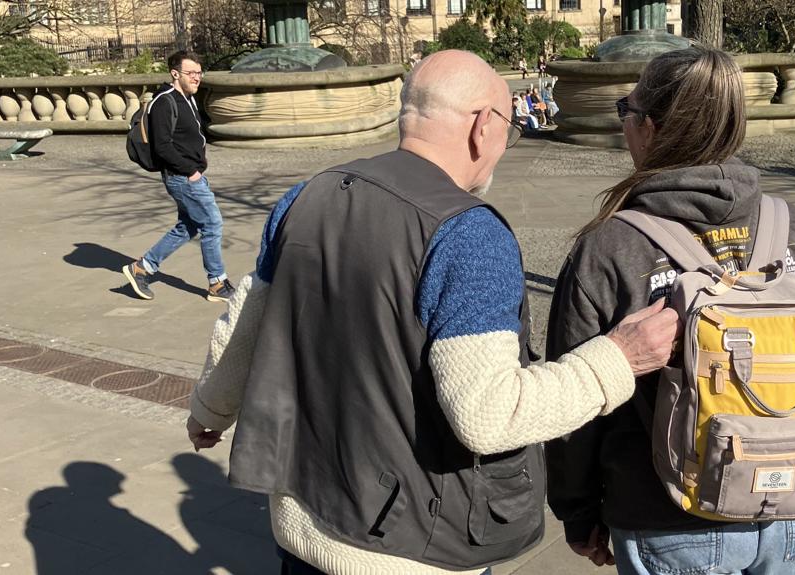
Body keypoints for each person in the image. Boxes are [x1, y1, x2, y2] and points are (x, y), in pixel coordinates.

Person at [186, 49, 681, 575]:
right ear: (482, 126)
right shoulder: (469, 234)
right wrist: (617, 360)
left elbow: (245, 326)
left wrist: (209, 412)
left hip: (301, 527)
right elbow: (489, 416)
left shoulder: (308, 195)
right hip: (408, 547)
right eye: (509, 130)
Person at [545, 46, 795, 575]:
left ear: (651, 127)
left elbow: (575, 399)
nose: (624, 126)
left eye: (626, 112)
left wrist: (577, 512)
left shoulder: (613, 245)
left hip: (665, 510)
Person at [121, 50, 235, 302]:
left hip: (188, 175)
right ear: (175, 73)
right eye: (191, 73)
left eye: (199, 72)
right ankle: (217, 283)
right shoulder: (165, 101)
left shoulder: (187, 98)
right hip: (182, 177)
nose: (197, 78)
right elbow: (162, 146)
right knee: (212, 223)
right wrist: (191, 171)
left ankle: (141, 268)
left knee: (189, 226)